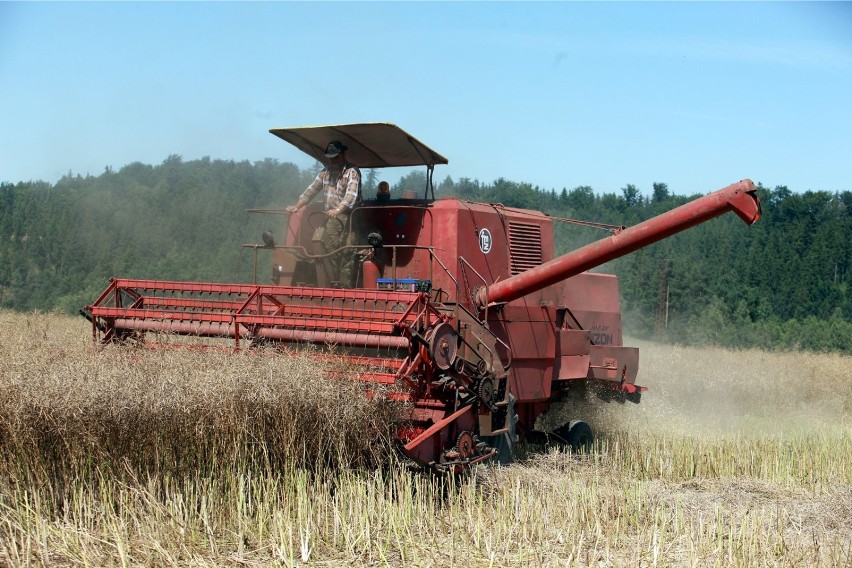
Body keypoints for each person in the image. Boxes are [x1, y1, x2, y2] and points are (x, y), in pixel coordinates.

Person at [286, 140, 361, 286]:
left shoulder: (352, 172)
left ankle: (344, 287)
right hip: (331, 216)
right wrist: (297, 206)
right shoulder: (325, 172)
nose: (333, 160)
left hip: (350, 217)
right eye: (330, 158)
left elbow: (351, 196)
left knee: (347, 252)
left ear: (343, 155)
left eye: (336, 157)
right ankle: (328, 283)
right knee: (327, 248)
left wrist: (338, 210)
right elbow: (311, 190)